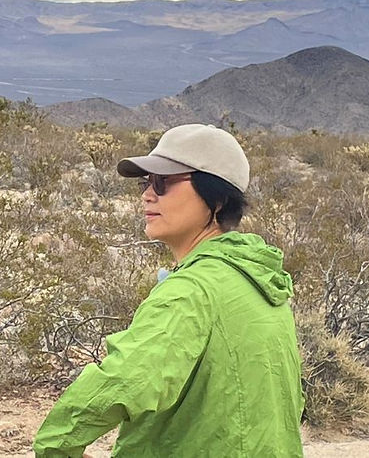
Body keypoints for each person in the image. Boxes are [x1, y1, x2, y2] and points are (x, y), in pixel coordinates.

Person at [33, 124, 305, 457]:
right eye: (146, 182)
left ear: (217, 200)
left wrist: (54, 448)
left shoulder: (191, 292)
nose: (148, 194)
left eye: (163, 182)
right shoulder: (260, 280)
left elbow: (119, 384)